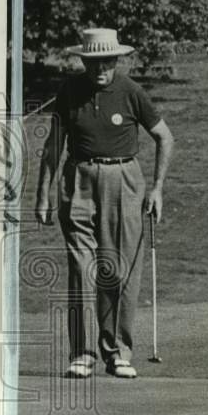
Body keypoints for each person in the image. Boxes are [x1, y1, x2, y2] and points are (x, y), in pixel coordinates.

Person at [35, 28, 174, 379]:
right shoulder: (70, 91)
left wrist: (156, 188)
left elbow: (164, 137)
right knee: (81, 267)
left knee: (118, 267)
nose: (101, 68)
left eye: (107, 61)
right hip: (78, 178)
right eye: (94, 61)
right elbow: (54, 145)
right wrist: (42, 194)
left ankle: (117, 351)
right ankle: (82, 353)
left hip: (124, 180)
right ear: (84, 60)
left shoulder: (130, 91)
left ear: (117, 60)